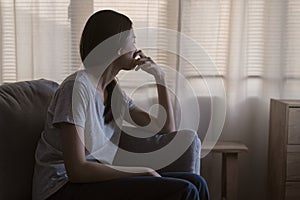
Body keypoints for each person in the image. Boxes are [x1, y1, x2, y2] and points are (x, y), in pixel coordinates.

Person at [32, 10, 210, 200]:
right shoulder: (76, 88)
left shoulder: (114, 94)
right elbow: (77, 170)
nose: (136, 48)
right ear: (117, 46)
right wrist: (140, 172)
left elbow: (166, 129)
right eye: (132, 41)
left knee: (197, 182)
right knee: (186, 190)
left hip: (94, 182)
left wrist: (160, 77)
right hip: (61, 188)